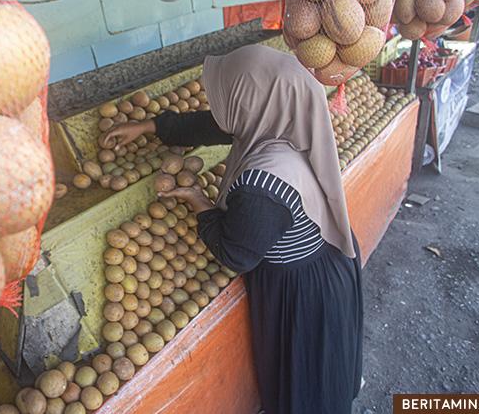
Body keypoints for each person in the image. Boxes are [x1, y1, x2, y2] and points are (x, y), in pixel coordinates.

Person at [104, 44, 363, 414]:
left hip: (304, 293)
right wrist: (150, 126)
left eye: (229, 97)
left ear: (251, 104)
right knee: (320, 377)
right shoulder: (287, 117)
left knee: (306, 388)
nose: (225, 108)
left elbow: (236, 253)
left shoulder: (262, 184)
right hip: (330, 264)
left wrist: (197, 200)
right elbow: (219, 124)